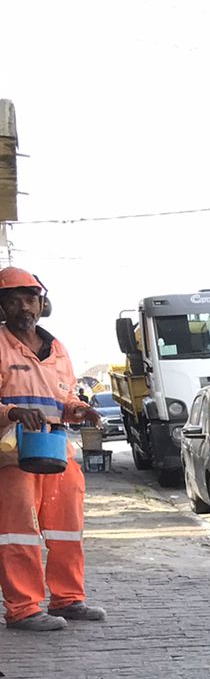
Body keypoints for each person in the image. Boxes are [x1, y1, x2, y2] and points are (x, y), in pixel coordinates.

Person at [0, 267, 106, 632]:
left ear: (42, 304)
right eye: (13, 300)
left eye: (30, 299)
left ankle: (68, 598)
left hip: (58, 451)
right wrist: (12, 412)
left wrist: (78, 409)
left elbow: (66, 396)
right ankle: (24, 608)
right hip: (13, 456)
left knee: (66, 529)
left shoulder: (57, 348)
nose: (23, 307)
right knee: (18, 532)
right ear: (3, 307)